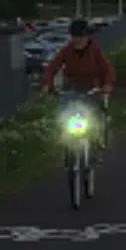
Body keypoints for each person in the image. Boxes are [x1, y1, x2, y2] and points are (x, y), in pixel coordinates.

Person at [41, 18, 117, 161]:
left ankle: (97, 143)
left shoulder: (95, 51)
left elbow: (108, 69)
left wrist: (107, 85)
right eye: (75, 37)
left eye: (81, 37)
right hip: (72, 90)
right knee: (63, 114)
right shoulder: (66, 51)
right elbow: (52, 67)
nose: (78, 41)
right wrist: (47, 84)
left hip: (92, 89)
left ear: (87, 37)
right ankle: (65, 143)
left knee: (98, 115)